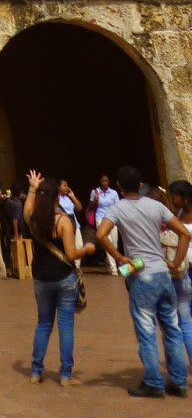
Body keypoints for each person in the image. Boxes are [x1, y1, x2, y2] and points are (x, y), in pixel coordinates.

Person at [98, 165, 191, 398]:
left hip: (141, 274)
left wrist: (119, 257)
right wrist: (176, 262)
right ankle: (179, 382)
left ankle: (153, 382)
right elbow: (185, 233)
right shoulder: (157, 206)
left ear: (119, 186)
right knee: (172, 329)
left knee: (146, 330)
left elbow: (101, 235)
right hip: (163, 273)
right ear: (140, 185)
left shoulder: (117, 208)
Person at [23, 168, 96, 386]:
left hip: (41, 278)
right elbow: (72, 254)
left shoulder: (33, 219)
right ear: (58, 197)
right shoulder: (63, 221)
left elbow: (28, 207)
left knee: (43, 324)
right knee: (65, 326)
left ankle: (36, 371)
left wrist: (32, 188)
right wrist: (88, 249)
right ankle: (65, 375)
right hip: (64, 278)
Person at [164, 180, 192, 365]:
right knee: (186, 317)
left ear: (184, 198)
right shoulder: (180, 213)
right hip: (184, 270)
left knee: (183, 319)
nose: (172, 200)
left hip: (185, 267)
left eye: (174, 197)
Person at [90, 175, 122, 275]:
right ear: (100, 182)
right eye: (103, 181)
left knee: (114, 245)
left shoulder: (114, 193)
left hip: (112, 219)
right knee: (108, 242)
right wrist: (95, 200)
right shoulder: (95, 192)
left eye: (106, 181)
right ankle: (114, 269)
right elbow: (90, 207)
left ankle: (108, 262)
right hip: (101, 219)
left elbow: (118, 206)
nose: (105, 183)